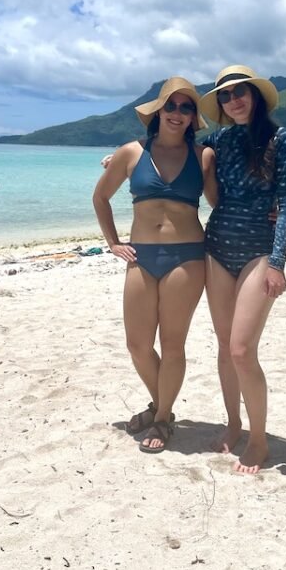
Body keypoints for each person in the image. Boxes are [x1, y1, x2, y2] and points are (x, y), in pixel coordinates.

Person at [93, 77, 215, 454]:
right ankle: (162, 405)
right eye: (172, 106)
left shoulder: (203, 156)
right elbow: (100, 197)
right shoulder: (130, 153)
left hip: (188, 257)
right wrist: (113, 243)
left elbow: (220, 200)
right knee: (138, 345)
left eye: (186, 107)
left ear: (193, 117)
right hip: (141, 256)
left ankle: (161, 417)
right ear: (158, 111)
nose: (178, 113)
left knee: (172, 344)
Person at [198, 65, 286, 475]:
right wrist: (125, 153)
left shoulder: (284, 141)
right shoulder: (221, 139)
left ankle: (258, 438)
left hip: (259, 252)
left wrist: (278, 262)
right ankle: (233, 424)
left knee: (242, 350)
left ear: (256, 96)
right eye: (225, 95)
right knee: (225, 346)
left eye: (241, 92)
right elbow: (171, 142)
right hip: (217, 248)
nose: (233, 99)